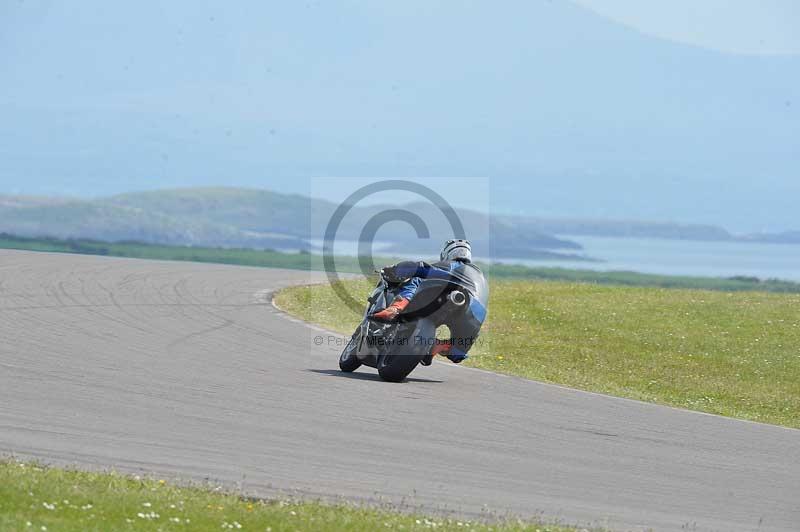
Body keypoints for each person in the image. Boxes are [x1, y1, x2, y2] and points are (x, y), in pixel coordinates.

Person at [369, 239, 487, 364]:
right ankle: (439, 346)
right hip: (475, 313)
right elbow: (457, 357)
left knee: (416, 278)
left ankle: (395, 308)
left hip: (446, 293)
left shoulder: (454, 265)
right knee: (456, 353)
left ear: (447, 253)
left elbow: (420, 268)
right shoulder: (480, 277)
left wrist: (394, 270)